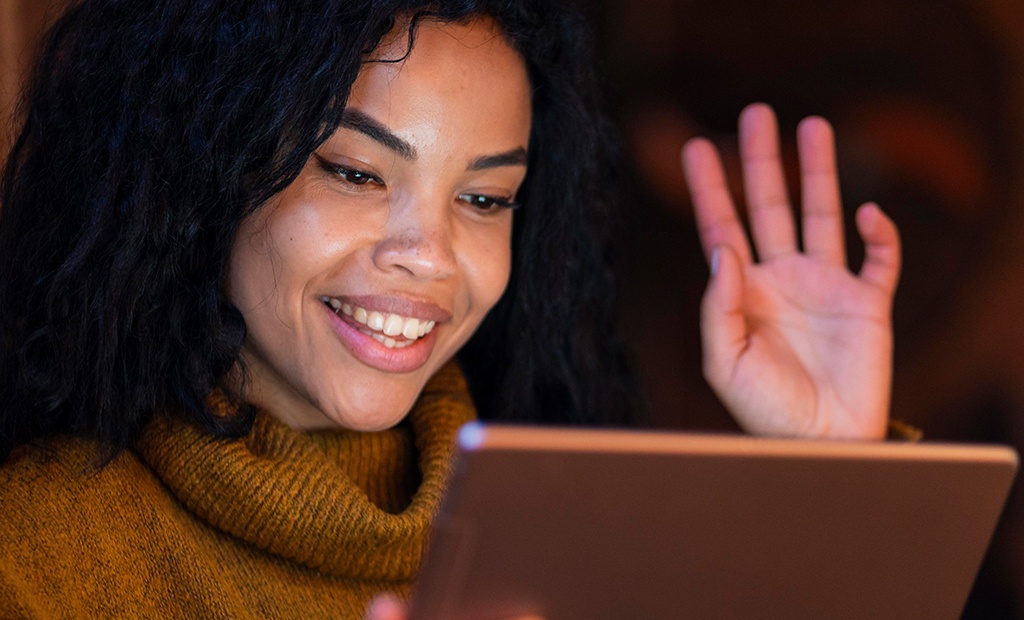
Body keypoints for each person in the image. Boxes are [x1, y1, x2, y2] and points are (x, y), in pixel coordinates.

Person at [0, 0, 901, 617]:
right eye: (355, 173)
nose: (429, 255)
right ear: (205, 174)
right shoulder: (36, 553)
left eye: (483, 200)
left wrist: (839, 485)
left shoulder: (588, 535)